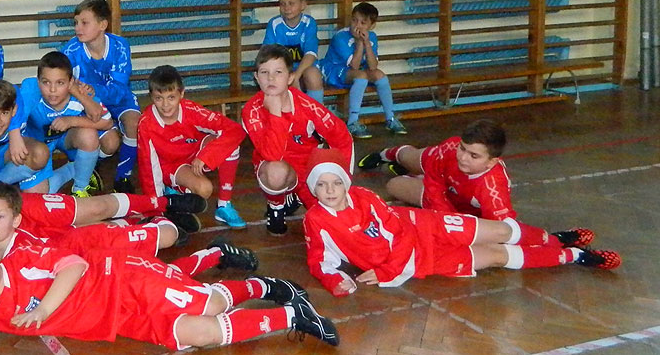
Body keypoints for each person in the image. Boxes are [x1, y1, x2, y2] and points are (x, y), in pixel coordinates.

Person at [0, 231, 341, 349]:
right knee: (199, 334)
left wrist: (42, 311)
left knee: (208, 303)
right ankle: (293, 316)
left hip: (122, 278)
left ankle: (266, 284)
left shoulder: (24, 259)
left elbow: (74, 266)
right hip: (118, 320)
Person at [0, 153, 209, 298]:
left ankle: (163, 204)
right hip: (11, 240)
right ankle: (149, 224)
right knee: (87, 240)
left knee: (94, 208)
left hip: (12, 213)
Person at [302, 161, 621, 297]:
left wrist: (386, 271)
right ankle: (575, 255)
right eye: (322, 185)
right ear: (314, 190)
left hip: (424, 226)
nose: (330, 190)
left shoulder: (364, 197)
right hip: (420, 260)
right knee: (496, 255)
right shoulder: (316, 220)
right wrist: (335, 282)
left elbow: (399, 234)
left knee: (500, 231)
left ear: (345, 184)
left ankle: (555, 239)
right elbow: (319, 261)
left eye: (335, 183)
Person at [242, 44, 354, 236]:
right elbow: (272, 154)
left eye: (278, 72)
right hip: (276, 166)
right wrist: (275, 113)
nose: (271, 78)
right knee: (276, 171)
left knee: (336, 225)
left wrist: (342, 180)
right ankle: (276, 206)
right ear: (256, 78)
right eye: (264, 72)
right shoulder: (251, 110)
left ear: (290, 78)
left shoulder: (307, 106)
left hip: (309, 169)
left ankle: (296, 197)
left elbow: (342, 136)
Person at [138, 65, 248, 229]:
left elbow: (235, 130)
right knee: (204, 190)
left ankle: (224, 205)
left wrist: (206, 156)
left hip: (195, 157)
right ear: (151, 97)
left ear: (182, 93)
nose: (165, 105)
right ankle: (174, 193)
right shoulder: (146, 124)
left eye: (171, 97)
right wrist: (156, 205)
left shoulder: (191, 110)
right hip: (170, 166)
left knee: (230, 145)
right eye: (159, 98)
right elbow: (148, 167)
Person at [358, 118, 516, 220]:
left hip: (457, 205)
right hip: (440, 184)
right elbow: (433, 182)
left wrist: (453, 221)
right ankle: (386, 154)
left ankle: (413, 176)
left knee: (394, 185)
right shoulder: (451, 148)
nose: (463, 157)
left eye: (474, 156)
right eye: (462, 148)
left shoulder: (493, 188)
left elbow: (503, 229)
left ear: (492, 162)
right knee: (409, 158)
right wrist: (445, 214)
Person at [61, 0, 140, 193]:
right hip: (89, 102)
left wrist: (95, 89)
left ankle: (123, 177)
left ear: (103, 24)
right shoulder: (70, 50)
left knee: (134, 123)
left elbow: (120, 89)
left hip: (117, 96)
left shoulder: (120, 46)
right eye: (75, 23)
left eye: (84, 23)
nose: (78, 28)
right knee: (111, 144)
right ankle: (88, 163)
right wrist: (88, 96)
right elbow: (66, 85)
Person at [19, 51, 119, 197]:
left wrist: (71, 121)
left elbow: (107, 121)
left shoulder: (81, 94)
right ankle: (73, 169)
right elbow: (16, 123)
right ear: (38, 81)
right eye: (46, 82)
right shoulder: (30, 91)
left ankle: (80, 188)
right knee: (36, 194)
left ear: (71, 83)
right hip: (37, 145)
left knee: (89, 135)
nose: (52, 90)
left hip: (65, 139)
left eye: (60, 83)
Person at [319, 2, 407, 138]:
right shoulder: (340, 36)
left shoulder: (372, 37)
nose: (357, 25)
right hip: (335, 71)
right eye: (354, 20)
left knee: (380, 75)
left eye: (363, 23)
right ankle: (352, 122)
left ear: (372, 25)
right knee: (361, 76)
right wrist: (359, 42)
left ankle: (390, 118)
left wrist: (366, 43)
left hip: (358, 71)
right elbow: (354, 65)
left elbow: (373, 66)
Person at [262, 0, 324, 105]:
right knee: (277, 77)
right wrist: (288, 75)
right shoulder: (274, 24)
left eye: (291, 3)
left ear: (303, 5)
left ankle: (317, 112)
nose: (287, 8)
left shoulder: (309, 23)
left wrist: (296, 75)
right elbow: (267, 54)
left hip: (302, 69)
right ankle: (288, 114)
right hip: (282, 70)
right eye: (283, 4)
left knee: (313, 74)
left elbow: (311, 54)